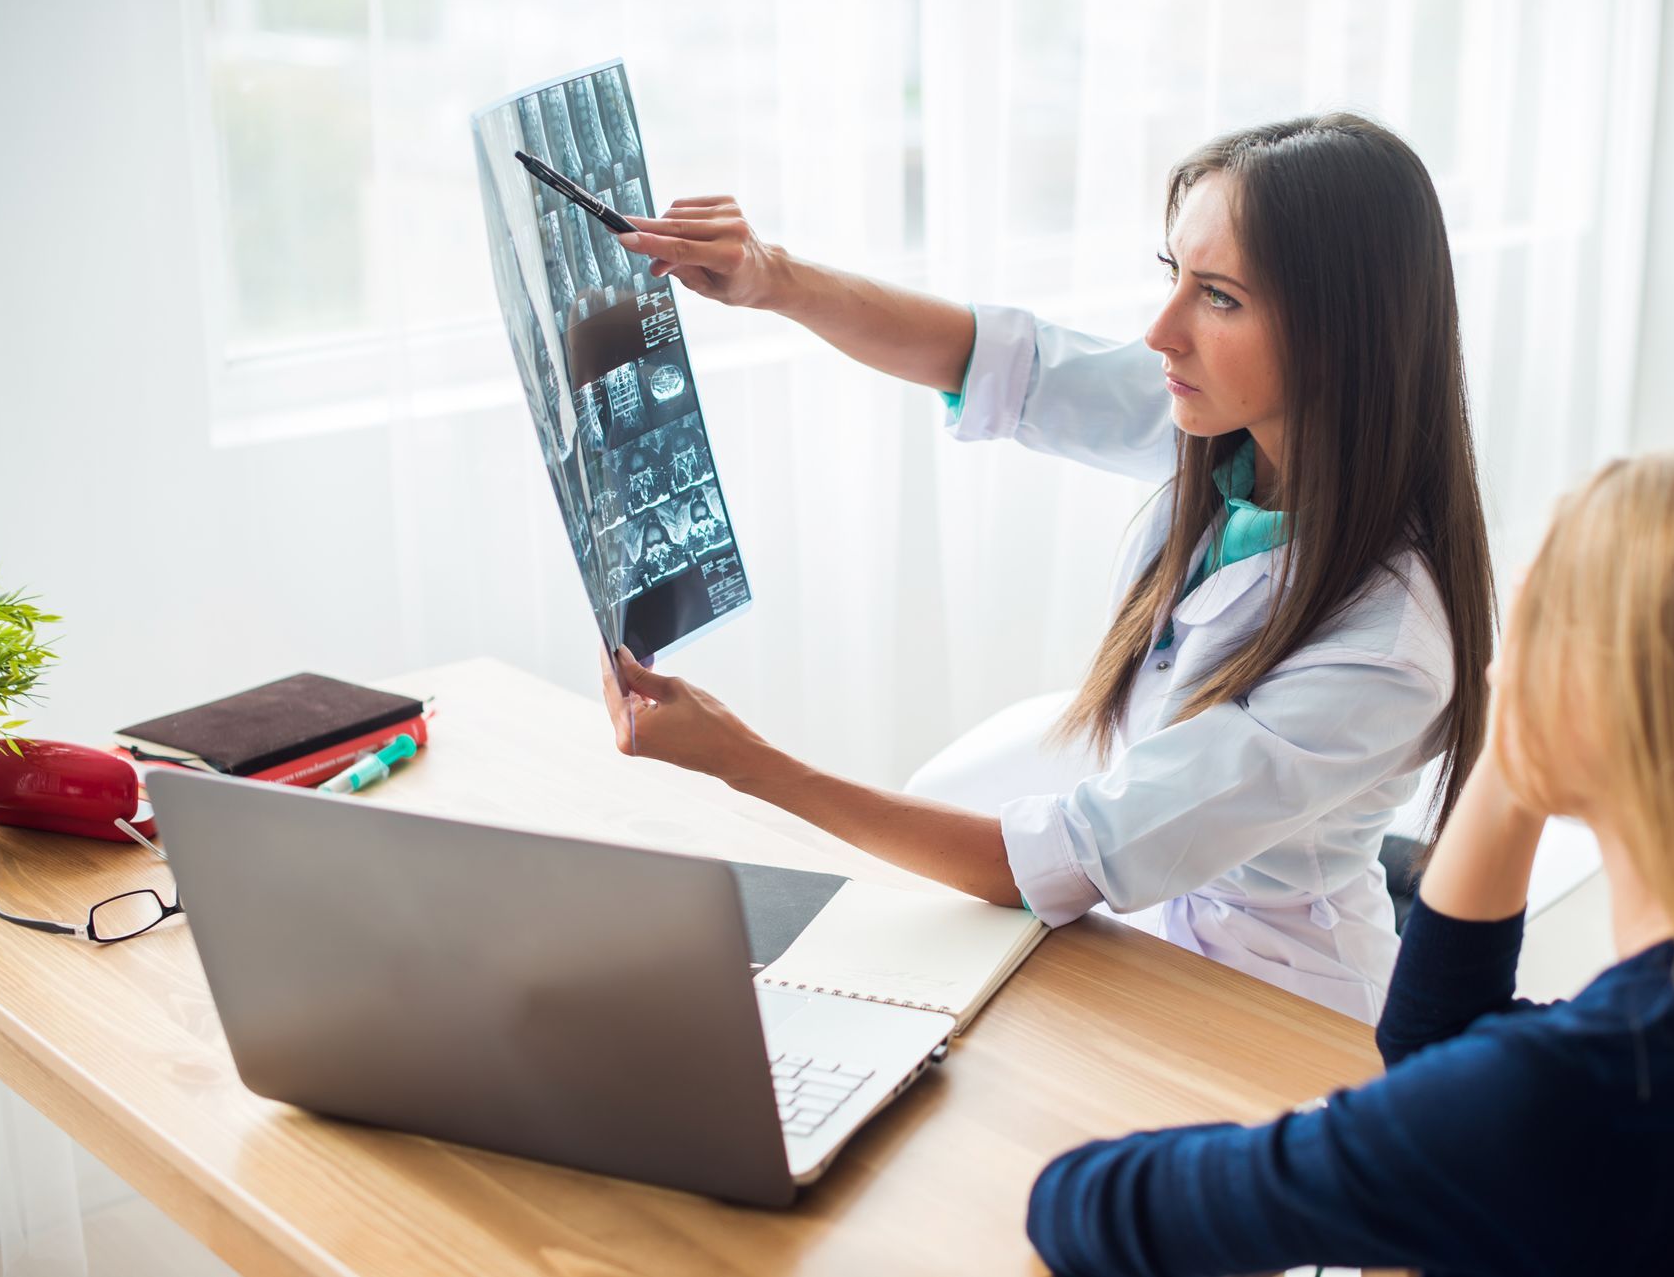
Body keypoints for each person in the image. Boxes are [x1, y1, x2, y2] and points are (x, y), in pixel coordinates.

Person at [597, 114, 1496, 1022]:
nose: (1161, 331)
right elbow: (997, 362)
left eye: (1218, 296)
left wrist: (740, 761)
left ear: (1340, 336)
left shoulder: (1386, 648)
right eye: (1171, 275)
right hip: (1132, 950)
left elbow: (1061, 860)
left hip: (1278, 1014)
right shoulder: (1234, 432)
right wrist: (771, 278)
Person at [1024, 450, 1674, 1277]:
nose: (1497, 666)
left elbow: (1095, 1207)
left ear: (1602, 696)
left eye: (1533, 623)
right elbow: (1434, 1047)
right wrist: (1512, 769)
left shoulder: (1568, 1096)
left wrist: (1513, 752)